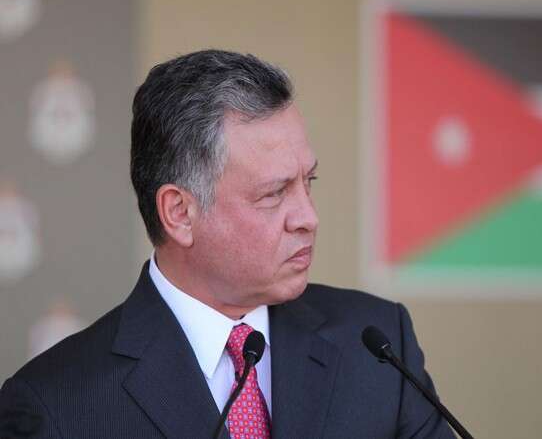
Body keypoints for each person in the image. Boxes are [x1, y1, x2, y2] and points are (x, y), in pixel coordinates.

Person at [0, 50, 455, 438]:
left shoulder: (378, 347)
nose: (308, 218)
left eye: (308, 182)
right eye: (274, 194)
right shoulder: (55, 405)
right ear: (180, 213)